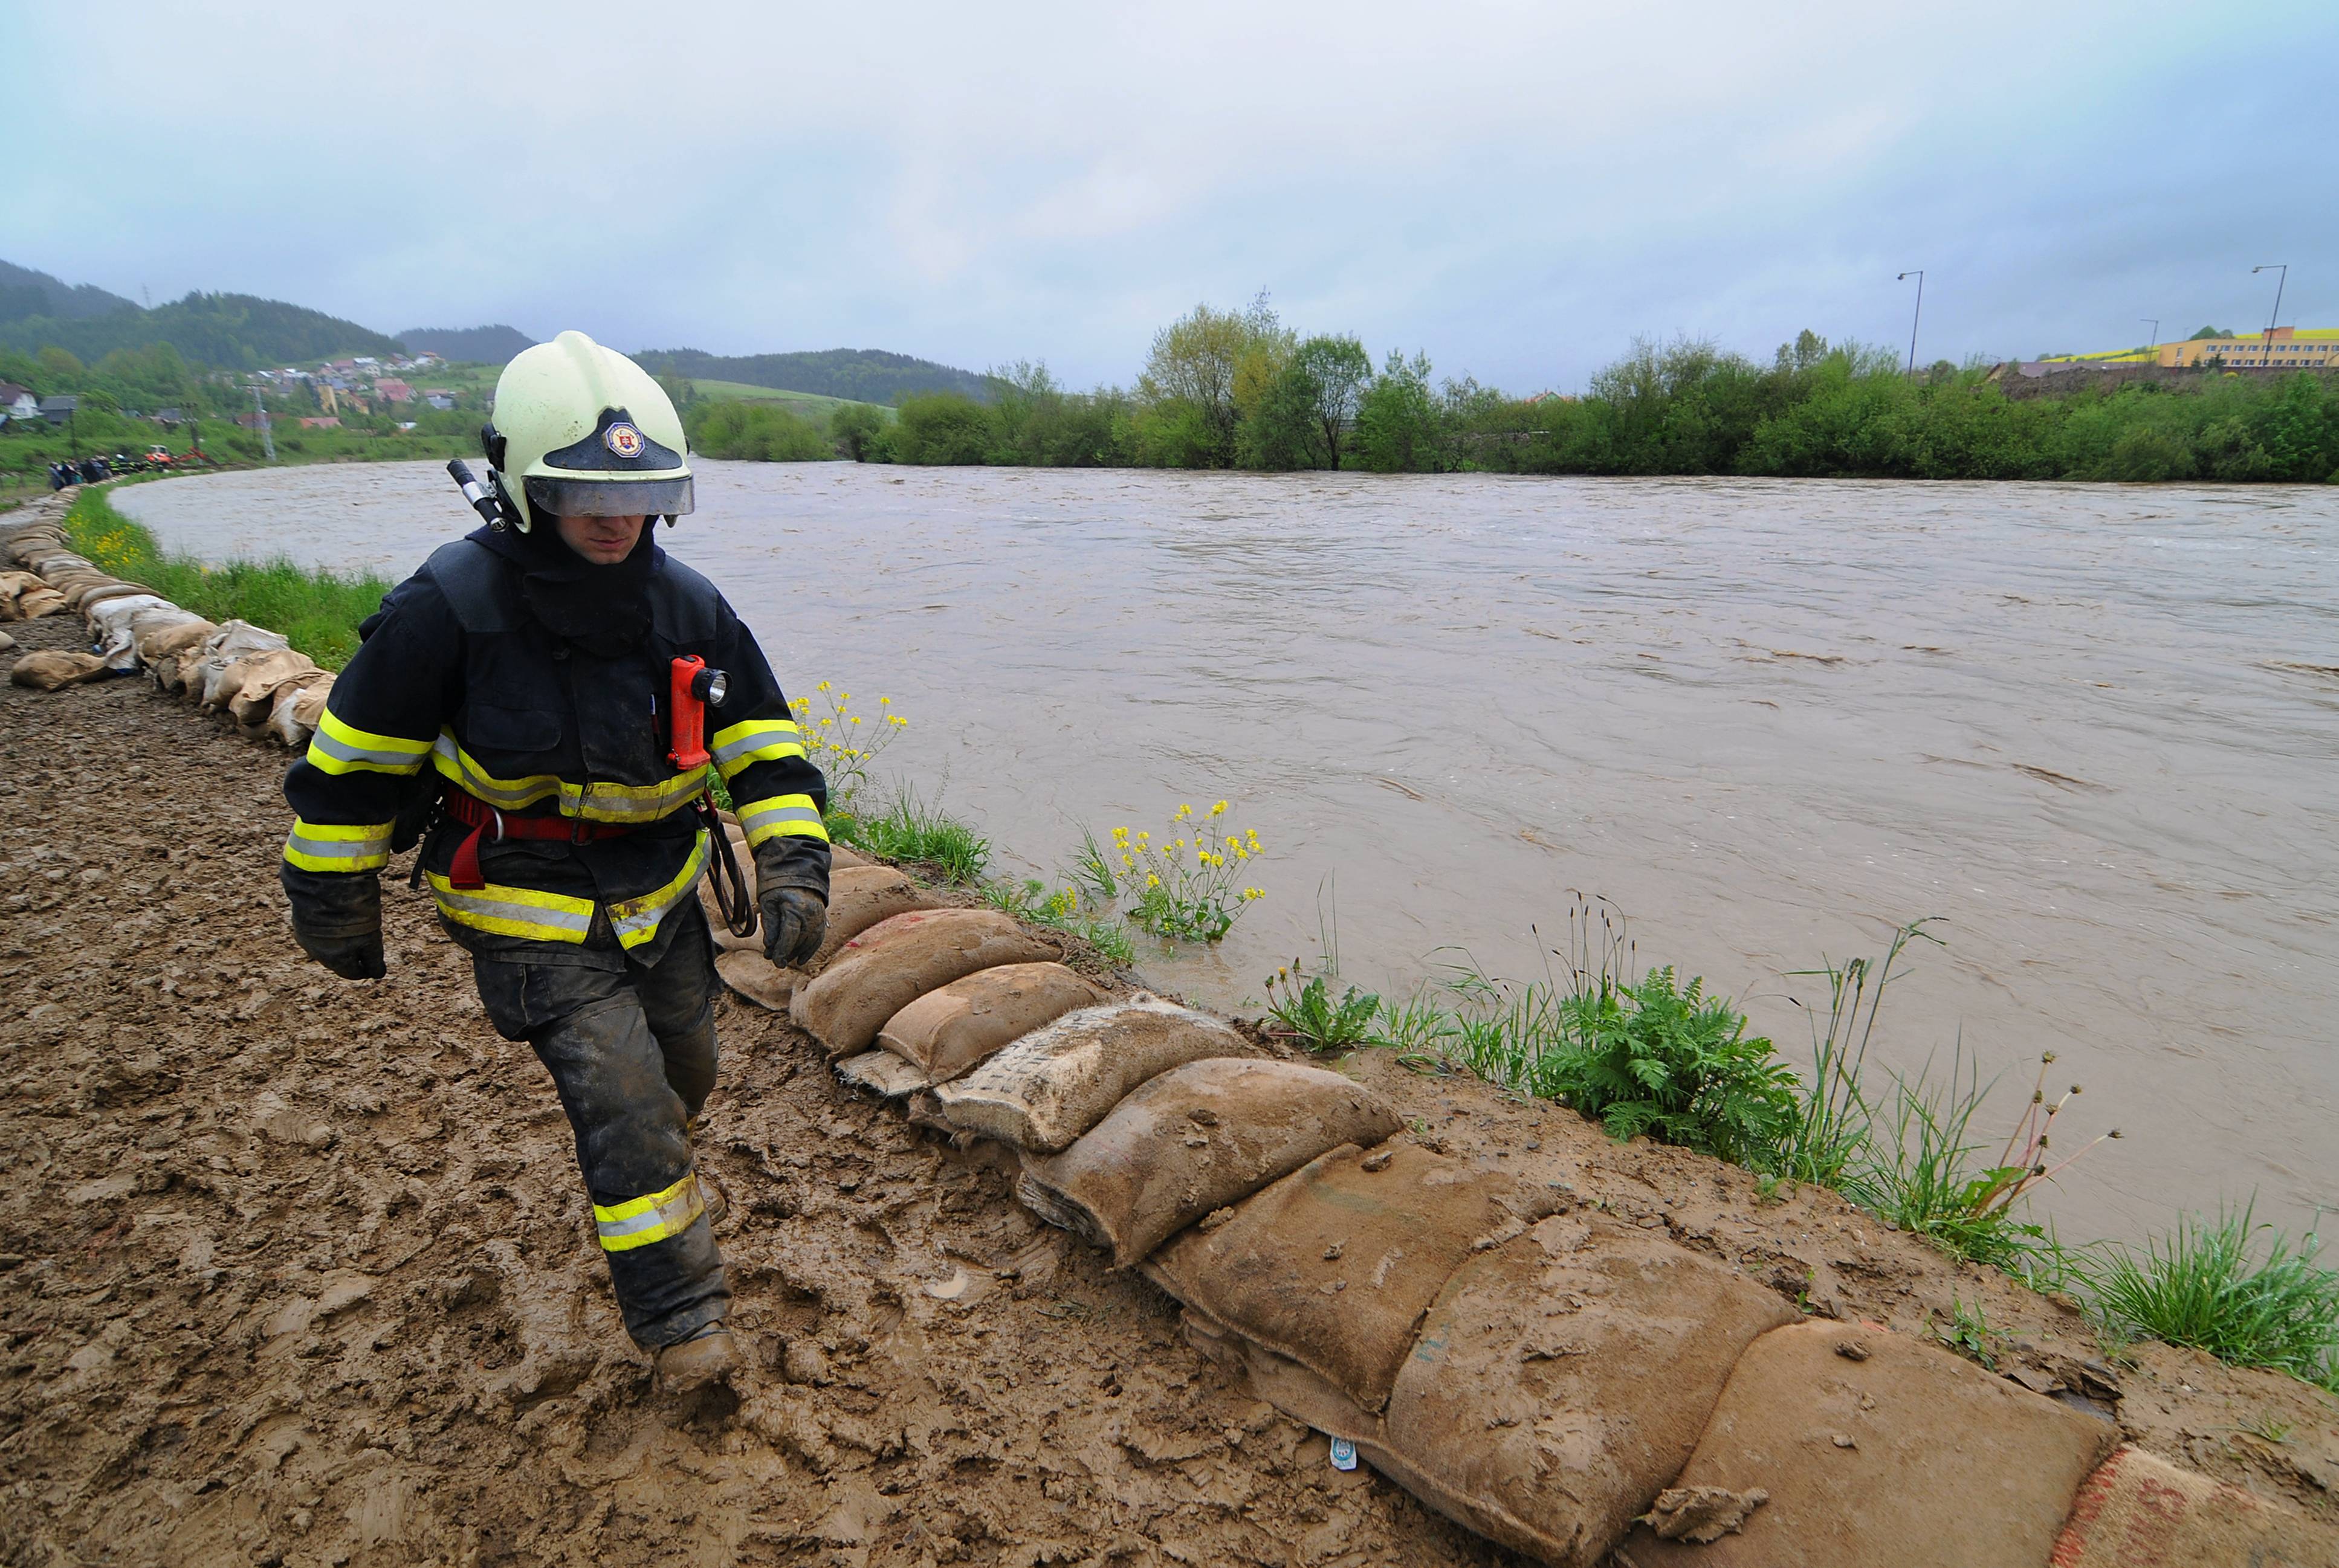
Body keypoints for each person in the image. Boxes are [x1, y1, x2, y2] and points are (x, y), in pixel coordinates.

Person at [278, 331, 831, 1393]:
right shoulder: (448, 607)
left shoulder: (689, 606)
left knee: (683, 1080)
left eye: (638, 496)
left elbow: (764, 744)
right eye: (582, 495)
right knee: (625, 1105)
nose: (615, 518)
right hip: (528, 907)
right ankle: (684, 1328)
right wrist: (330, 890)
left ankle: (647, 1172)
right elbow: (353, 764)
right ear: (520, 483)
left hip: (662, 897)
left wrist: (795, 861)